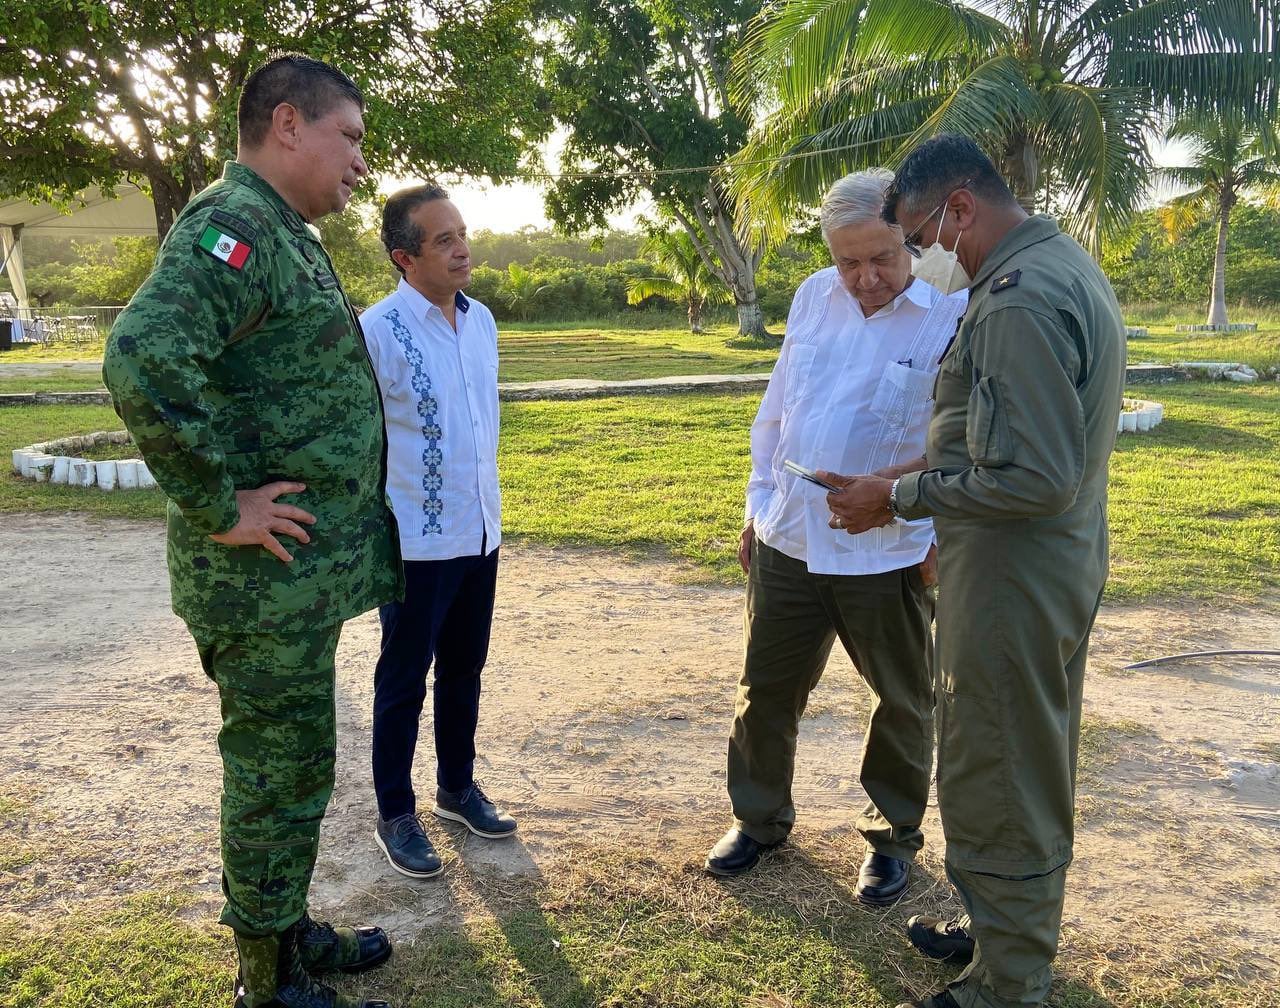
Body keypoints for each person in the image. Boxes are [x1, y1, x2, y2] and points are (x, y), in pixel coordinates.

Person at [102, 54, 401, 1008]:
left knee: (294, 762)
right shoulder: (235, 229)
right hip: (259, 586)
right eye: (347, 137)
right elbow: (142, 356)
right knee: (275, 773)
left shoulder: (280, 230)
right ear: (287, 124)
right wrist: (220, 502)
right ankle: (266, 981)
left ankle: (287, 929)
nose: (359, 161)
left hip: (289, 586)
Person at [822, 134, 1126, 1008]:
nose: (923, 258)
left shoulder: (1019, 300)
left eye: (919, 238)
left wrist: (899, 495)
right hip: (1031, 567)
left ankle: (1008, 979)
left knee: (1000, 767)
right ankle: (1000, 933)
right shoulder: (1049, 266)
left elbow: (1032, 475)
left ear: (959, 208)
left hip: (1014, 578)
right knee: (1014, 758)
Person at [704, 170, 967, 905]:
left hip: (890, 549)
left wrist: (930, 528)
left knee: (903, 701)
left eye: (881, 257)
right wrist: (758, 507)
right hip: (790, 538)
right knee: (766, 691)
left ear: (910, 238)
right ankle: (758, 820)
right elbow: (779, 410)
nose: (864, 278)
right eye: (849, 261)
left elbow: (958, 439)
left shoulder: (951, 311)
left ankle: (892, 838)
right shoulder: (813, 295)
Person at [361, 184, 515, 882]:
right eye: (444, 240)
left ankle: (457, 787)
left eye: (463, 234)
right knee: (403, 677)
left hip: (479, 528)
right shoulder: (379, 331)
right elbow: (363, 439)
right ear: (404, 257)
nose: (462, 249)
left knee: (465, 669)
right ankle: (396, 810)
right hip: (416, 540)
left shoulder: (480, 320)